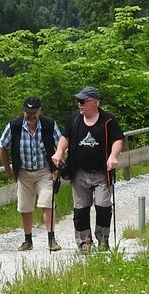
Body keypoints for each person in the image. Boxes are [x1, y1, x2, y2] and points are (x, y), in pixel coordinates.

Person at [51, 86, 126, 254]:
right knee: (80, 209)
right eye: (79, 101)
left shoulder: (108, 121)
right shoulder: (75, 120)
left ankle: (103, 240)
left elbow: (118, 140)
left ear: (94, 103)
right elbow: (65, 137)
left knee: (103, 206)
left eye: (82, 101)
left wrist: (113, 156)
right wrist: (59, 152)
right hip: (79, 172)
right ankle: (84, 242)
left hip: (101, 172)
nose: (79, 104)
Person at [0, 96, 62, 251]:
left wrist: (58, 168)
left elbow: (60, 144)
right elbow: (2, 145)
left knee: (47, 204)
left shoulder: (49, 124)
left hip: (45, 171)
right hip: (24, 172)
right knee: (25, 207)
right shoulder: (14, 126)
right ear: (23, 111)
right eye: (28, 112)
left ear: (39, 111)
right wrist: (8, 169)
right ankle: (28, 240)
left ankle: (51, 239)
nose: (31, 116)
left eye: (34, 112)